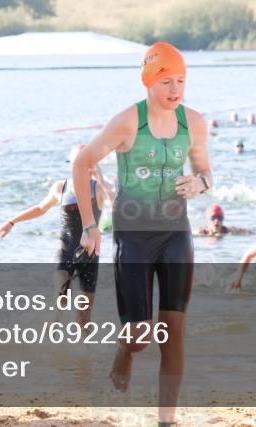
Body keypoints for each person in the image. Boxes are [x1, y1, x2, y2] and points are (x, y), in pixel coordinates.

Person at [72, 42, 212, 425]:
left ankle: (166, 418)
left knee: (174, 331)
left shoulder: (194, 123)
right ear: (149, 82)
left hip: (175, 234)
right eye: (167, 81)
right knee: (140, 335)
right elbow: (82, 163)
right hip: (133, 236)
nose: (175, 89)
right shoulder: (128, 122)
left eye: (181, 80)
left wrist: (199, 184)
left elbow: (205, 172)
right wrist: (89, 225)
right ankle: (124, 349)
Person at [0, 146, 115, 326]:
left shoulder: (97, 188)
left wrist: (101, 177)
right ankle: (51, 344)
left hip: (90, 256)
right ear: (72, 166)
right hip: (65, 250)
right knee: (60, 300)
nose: (84, 169)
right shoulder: (61, 187)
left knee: (83, 317)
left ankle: (85, 352)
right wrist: (11, 221)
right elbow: (41, 208)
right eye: (79, 165)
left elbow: (114, 200)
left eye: (88, 164)